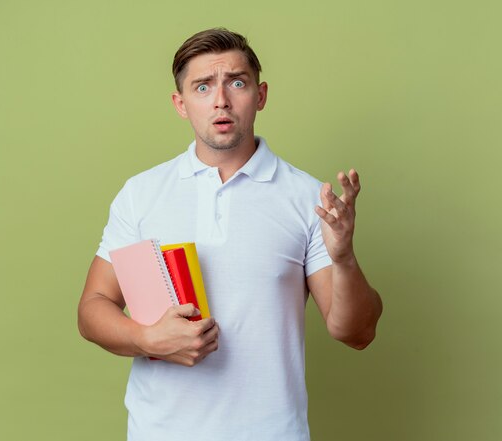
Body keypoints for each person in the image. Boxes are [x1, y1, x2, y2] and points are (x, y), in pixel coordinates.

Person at [78, 28, 382, 441]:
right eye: (202, 87)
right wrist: (146, 337)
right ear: (180, 103)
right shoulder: (142, 194)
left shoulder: (307, 198)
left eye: (236, 82)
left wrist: (344, 258)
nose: (220, 99)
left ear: (260, 95)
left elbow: (356, 333)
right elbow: (92, 309)